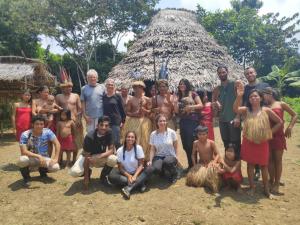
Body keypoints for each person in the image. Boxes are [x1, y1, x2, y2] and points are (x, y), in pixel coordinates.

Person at [233, 85, 283, 198]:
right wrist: (239, 96)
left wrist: (269, 133)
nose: (253, 98)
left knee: (264, 166)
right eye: (251, 97)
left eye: (255, 96)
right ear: (249, 100)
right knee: (250, 165)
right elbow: (235, 109)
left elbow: (279, 122)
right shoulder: (246, 110)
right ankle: (252, 187)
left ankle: (266, 190)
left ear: (260, 98)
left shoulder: (266, 110)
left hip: (262, 142)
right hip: (248, 140)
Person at [262, 87, 298, 194]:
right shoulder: (264, 106)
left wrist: (290, 127)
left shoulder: (281, 104)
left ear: (270, 94)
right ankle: (271, 180)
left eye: (263, 95)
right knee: (269, 160)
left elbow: (295, 115)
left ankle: (277, 183)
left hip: (278, 136)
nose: (262, 97)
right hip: (267, 136)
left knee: (278, 160)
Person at [69, 116, 117, 190]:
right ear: (97, 126)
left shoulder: (109, 132)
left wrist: (99, 156)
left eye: (106, 125)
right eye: (101, 125)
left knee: (113, 159)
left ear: (108, 126)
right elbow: (86, 157)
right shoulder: (89, 136)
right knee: (74, 172)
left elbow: (111, 150)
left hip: (98, 157)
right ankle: (88, 172)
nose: (104, 127)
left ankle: (103, 177)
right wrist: (86, 178)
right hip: (87, 157)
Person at [243, 67, 270, 180]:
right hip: (251, 119)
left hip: (264, 119)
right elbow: (244, 104)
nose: (249, 75)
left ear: (255, 73)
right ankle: (256, 171)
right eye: (247, 74)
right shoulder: (245, 89)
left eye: (251, 72)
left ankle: (270, 176)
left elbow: (271, 99)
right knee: (253, 144)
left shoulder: (264, 85)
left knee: (265, 148)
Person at [17, 115, 60, 185]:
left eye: (41, 124)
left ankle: (43, 174)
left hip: (44, 158)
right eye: (37, 124)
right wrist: (38, 156)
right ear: (32, 124)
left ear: (44, 125)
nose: (39, 126)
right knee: (22, 160)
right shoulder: (25, 134)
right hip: (30, 158)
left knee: (55, 167)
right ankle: (26, 177)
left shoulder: (48, 132)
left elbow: (57, 144)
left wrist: (56, 158)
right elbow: (24, 151)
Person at [212, 65, 241, 158]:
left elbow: (241, 99)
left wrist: (238, 116)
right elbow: (213, 101)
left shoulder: (235, 84)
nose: (221, 74)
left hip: (233, 118)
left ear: (227, 72)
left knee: (235, 143)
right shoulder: (217, 89)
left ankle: (236, 169)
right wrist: (216, 103)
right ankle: (228, 167)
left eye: (223, 72)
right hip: (222, 120)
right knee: (226, 143)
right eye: (219, 73)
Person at [108, 131, 147, 199]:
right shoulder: (120, 150)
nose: (130, 139)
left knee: (149, 169)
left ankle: (130, 186)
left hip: (137, 172)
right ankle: (139, 183)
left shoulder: (138, 148)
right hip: (125, 173)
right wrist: (128, 176)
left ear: (135, 139)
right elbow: (120, 168)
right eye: (128, 137)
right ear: (125, 138)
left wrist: (134, 176)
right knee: (111, 176)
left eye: (132, 137)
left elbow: (141, 165)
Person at [174, 79, 203, 169]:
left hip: (193, 122)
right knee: (186, 145)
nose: (181, 86)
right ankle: (190, 165)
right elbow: (176, 111)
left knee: (193, 144)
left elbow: (201, 105)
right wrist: (175, 102)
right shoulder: (178, 96)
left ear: (187, 85)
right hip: (183, 122)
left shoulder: (193, 94)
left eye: (183, 84)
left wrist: (190, 107)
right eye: (180, 84)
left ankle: (196, 165)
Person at [122, 80, 152, 159]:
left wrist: (143, 110)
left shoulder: (147, 99)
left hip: (145, 122)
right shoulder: (131, 100)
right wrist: (134, 114)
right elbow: (127, 112)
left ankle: (144, 158)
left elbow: (150, 112)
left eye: (139, 87)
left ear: (143, 89)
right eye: (135, 88)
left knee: (145, 140)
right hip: (133, 122)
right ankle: (133, 157)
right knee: (135, 139)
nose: (137, 89)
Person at [186, 125, 221, 193]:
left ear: (207, 134)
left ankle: (211, 184)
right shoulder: (195, 143)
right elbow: (193, 155)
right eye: (200, 134)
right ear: (197, 134)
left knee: (213, 178)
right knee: (191, 180)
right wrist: (195, 165)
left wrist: (214, 162)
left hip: (210, 163)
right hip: (201, 163)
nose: (202, 136)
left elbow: (218, 154)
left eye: (204, 134)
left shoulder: (211, 142)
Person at [145, 114, 178, 183]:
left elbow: (175, 146)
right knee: (156, 168)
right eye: (160, 121)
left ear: (166, 122)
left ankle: (174, 174)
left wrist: (176, 157)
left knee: (167, 162)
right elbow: (152, 149)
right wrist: (150, 160)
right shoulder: (153, 134)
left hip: (170, 155)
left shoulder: (172, 132)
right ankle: (162, 172)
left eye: (164, 121)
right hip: (159, 156)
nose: (162, 123)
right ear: (157, 123)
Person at [55, 79, 83, 152]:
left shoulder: (76, 96)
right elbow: (56, 109)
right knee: (62, 139)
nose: (69, 88)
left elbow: (80, 109)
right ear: (63, 88)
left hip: (74, 120)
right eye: (67, 87)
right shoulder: (58, 96)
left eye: (70, 87)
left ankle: (73, 160)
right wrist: (57, 121)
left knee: (76, 140)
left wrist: (79, 119)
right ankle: (60, 159)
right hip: (62, 122)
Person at [103, 79, 126, 149]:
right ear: (106, 86)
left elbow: (122, 109)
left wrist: (123, 121)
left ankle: (120, 157)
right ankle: (110, 156)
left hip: (116, 121)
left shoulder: (118, 96)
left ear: (114, 86)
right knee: (108, 140)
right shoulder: (104, 97)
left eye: (112, 85)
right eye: (109, 84)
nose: (110, 86)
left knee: (116, 140)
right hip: (106, 121)